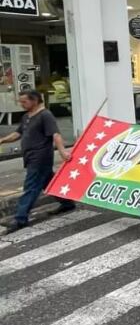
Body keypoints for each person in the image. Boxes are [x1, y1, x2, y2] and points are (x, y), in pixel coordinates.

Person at [0, 90, 75, 232]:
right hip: (30, 157)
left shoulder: (45, 115)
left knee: (31, 186)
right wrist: (3, 140)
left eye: (24, 101)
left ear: (34, 100)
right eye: (20, 101)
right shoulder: (26, 116)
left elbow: (55, 134)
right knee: (49, 182)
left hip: (40, 157)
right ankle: (67, 203)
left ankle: (20, 218)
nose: (21, 104)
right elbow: (18, 133)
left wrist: (62, 151)